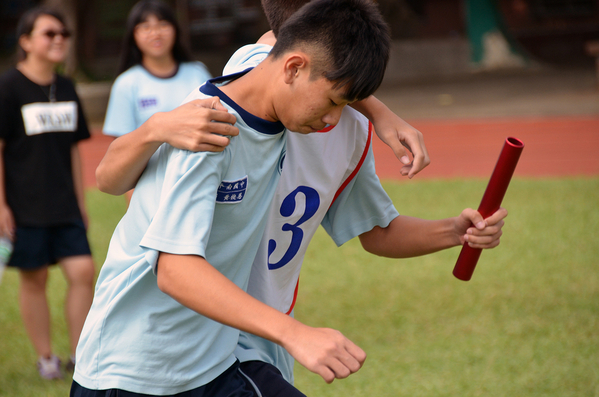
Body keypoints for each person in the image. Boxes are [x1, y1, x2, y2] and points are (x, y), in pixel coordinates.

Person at [94, 1, 507, 396]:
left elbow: (376, 230)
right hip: (143, 363)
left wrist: (454, 230)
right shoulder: (217, 116)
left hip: (218, 353)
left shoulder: (329, 119)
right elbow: (169, 262)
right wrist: (152, 129)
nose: (332, 117)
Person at [71, 0, 390, 395]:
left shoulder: (277, 105)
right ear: (293, 67)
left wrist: (383, 114)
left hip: (211, 365)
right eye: (332, 103)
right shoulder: (210, 128)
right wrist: (294, 333)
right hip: (134, 372)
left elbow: (293, 42)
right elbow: (174, 270)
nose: (332, 120)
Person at [0, 7, 95, 380]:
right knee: (34, 278)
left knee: (83, 271)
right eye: (49, 33)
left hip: (65, 205)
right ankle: (46, 359)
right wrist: (2, 204)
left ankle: (79, 355)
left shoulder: (67, 86)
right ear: (26, 42)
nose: (59, 40)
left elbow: (74, 149)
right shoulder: (8, 87)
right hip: (25, 206)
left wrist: (81, 202)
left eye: (64, 34)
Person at [101, 0, 233, 200]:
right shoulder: (127, 83)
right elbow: (124, 150)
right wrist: (133, 201)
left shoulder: (197, 72)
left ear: (175, 29)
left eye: (163, 25)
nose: (156, 33)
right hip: (151, 189)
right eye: (145, 27)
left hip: (199, 180)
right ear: (133, 35)